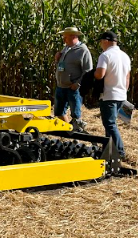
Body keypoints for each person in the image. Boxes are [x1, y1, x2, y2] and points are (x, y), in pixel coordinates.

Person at [94, 31, 131, 159]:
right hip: (121, 95)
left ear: (106, 41)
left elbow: (100, 74)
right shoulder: (125, 56)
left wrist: (91, 75)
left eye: (100, 42)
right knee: (111, 124)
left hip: (109, 94)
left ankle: (120, 152)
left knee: (110, 124)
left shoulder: (105, 55)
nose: (100, 44)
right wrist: (124, 91)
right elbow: (127, 77)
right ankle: (107, 151)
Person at [53, 26, 93, 132]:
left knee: (76, 115)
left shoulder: (83, 51)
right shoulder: (65, 48)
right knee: (58, 112)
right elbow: (62, 66)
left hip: (73, 88)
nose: (63, 39)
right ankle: (69, 131)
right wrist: (57, 59)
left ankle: (77, 134)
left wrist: (78, 84)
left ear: (73, 37)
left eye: (65, 37)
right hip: (61, 86)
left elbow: (88, 71)